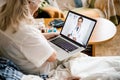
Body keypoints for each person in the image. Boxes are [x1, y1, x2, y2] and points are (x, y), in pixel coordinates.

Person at [0, 0, 120, 80]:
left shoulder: (5, 20)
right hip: (44, 70)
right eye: (37, 3)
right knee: (102, 64)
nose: (37, 8)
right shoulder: (25, 31)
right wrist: (62, 44)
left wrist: (51, 36)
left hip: (24, 61)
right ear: (27, 3)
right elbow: (52, 56)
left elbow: (26, 40)